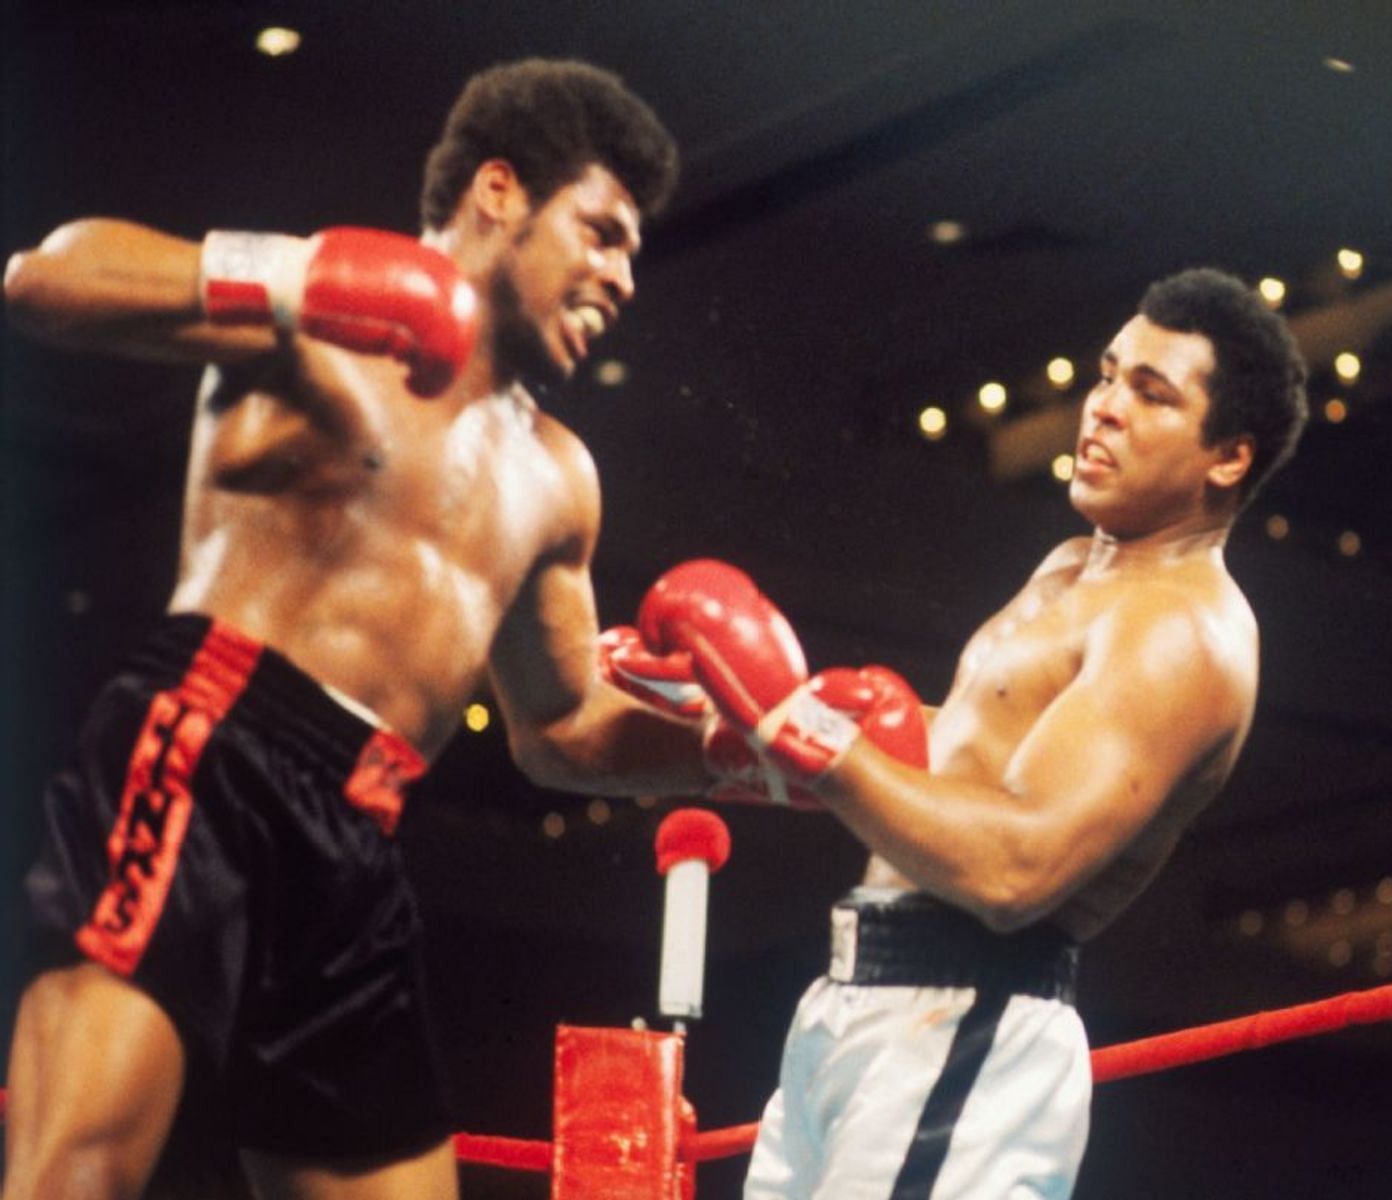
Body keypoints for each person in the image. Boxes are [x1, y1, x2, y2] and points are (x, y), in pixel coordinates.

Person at [3, 59, 713, 1200]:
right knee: (71, 1179)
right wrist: (296, 279)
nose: (623, 275)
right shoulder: (324, 322)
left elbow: (564, 727)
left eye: (633, 250)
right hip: (207, 746)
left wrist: (752, 747)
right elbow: (45, 279)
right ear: (498, 192)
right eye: (601, 231)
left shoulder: (558, 478)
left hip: (361, 834)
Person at [607, 267, 1308, 1198]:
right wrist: (734, 712)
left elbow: (1013, 874)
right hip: (867, 1007)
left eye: (1151, 394)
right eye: (1107, 375)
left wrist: (798, 726)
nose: (1102, 409)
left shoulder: (1181, 630)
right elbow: (952, 756)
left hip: (970, 1018)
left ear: (1227, 458)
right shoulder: (1073, 570)